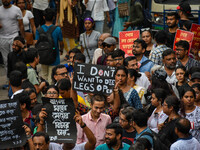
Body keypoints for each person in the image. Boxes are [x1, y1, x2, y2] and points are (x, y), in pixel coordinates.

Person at [35, 8, 64, 83]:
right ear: (53, 17)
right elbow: (61, 42)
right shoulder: (57, 29)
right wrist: (61, 50)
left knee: (43, 75)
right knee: (52, 76)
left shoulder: (39, 30)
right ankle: (51, 91)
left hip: (43, 56)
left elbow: (36, 42)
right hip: (54, 57)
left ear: (44, 17)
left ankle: (44, 90)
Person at [0, 0, 25, 70]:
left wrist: (23, 39)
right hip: (2, 38)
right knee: (6, 60)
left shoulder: (16, 9)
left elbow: (21, 25)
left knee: (15, 59)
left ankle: (17, 77)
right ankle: (9, 78)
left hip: (14, 37)